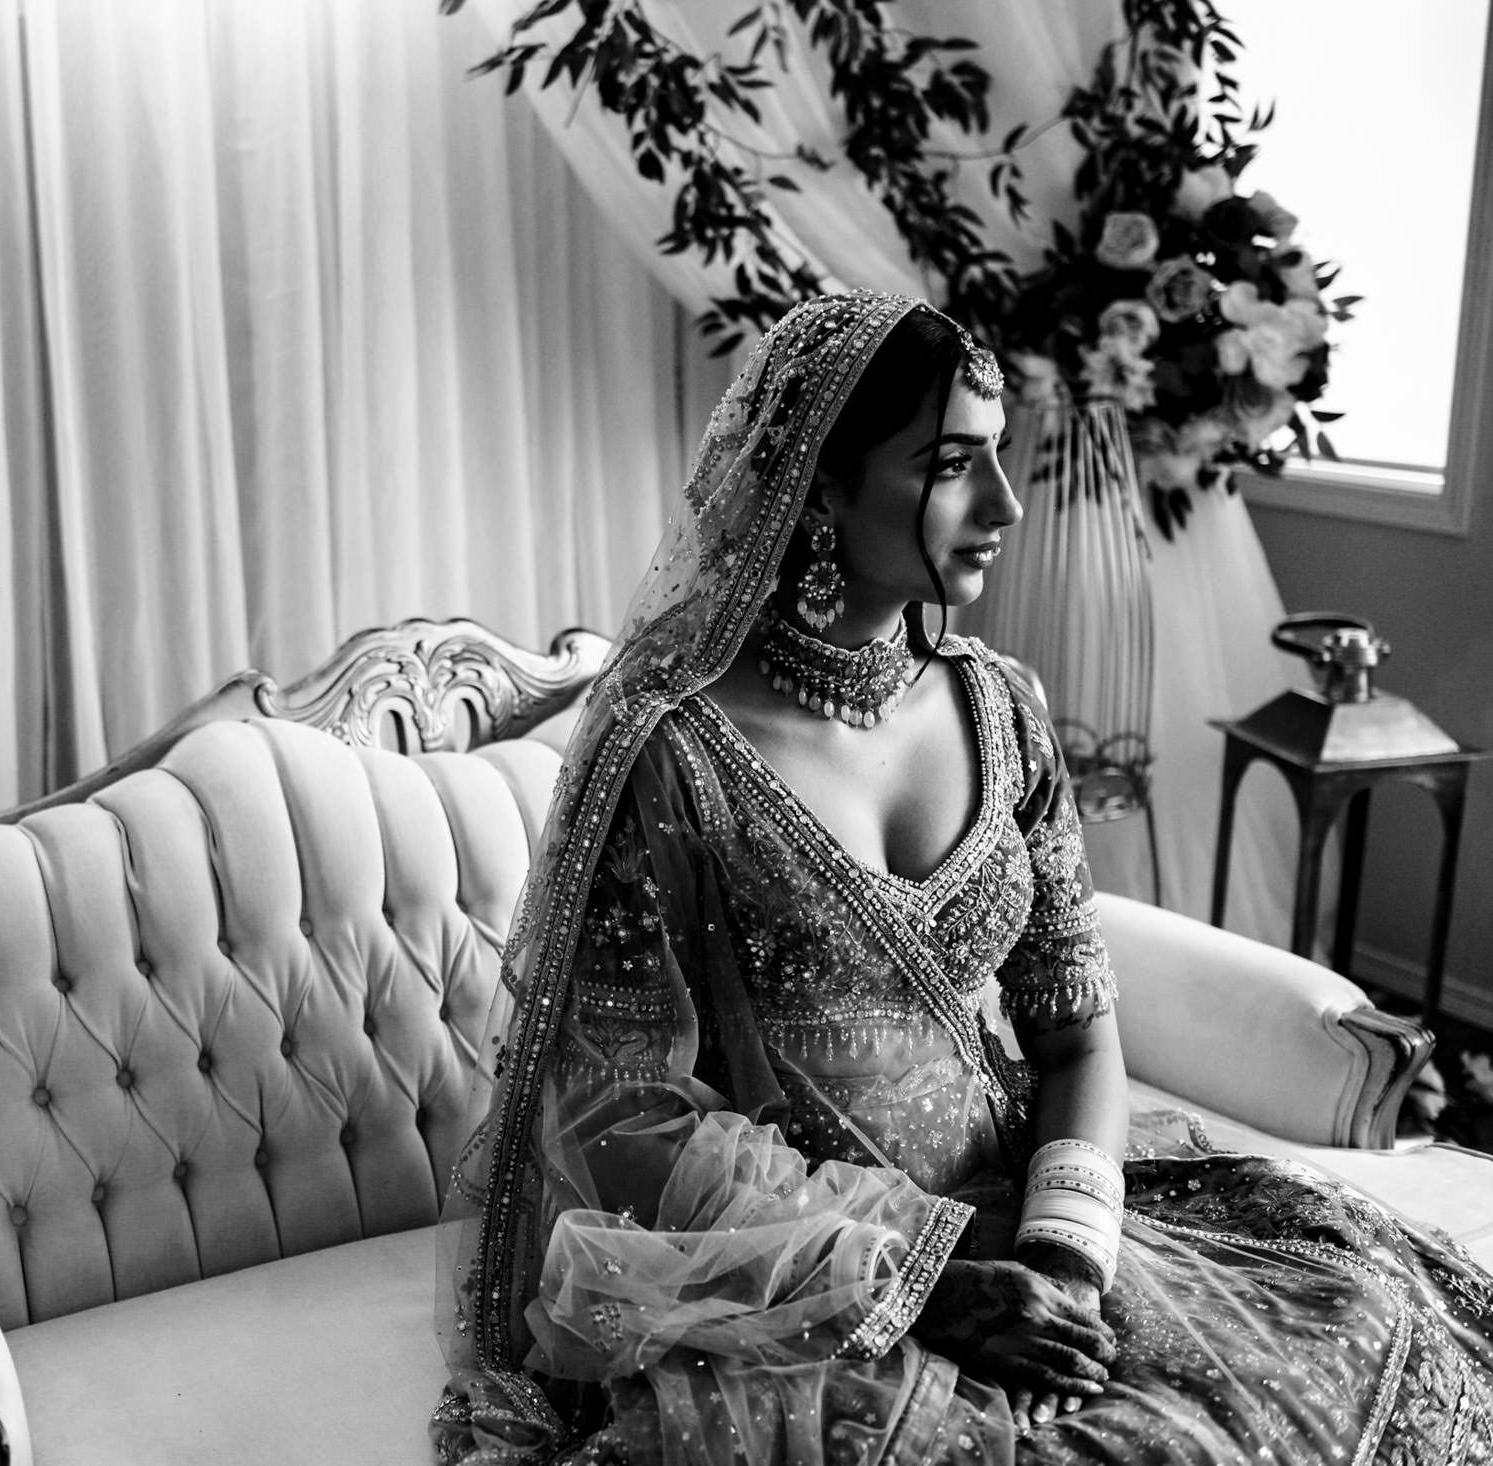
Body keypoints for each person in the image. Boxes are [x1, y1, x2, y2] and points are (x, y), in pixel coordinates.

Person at [432, 290, 1493, 1465]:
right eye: (949, 464)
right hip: (802, 1281)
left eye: (995, 454)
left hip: (1028, 1222)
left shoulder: (1000, 708)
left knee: (1356, 1314)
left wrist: (1064, 1256)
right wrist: (925, 1282)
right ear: (818, 485)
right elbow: (618, 1120)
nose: (1005, 502)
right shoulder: (668, 749)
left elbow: (1080, 1035)